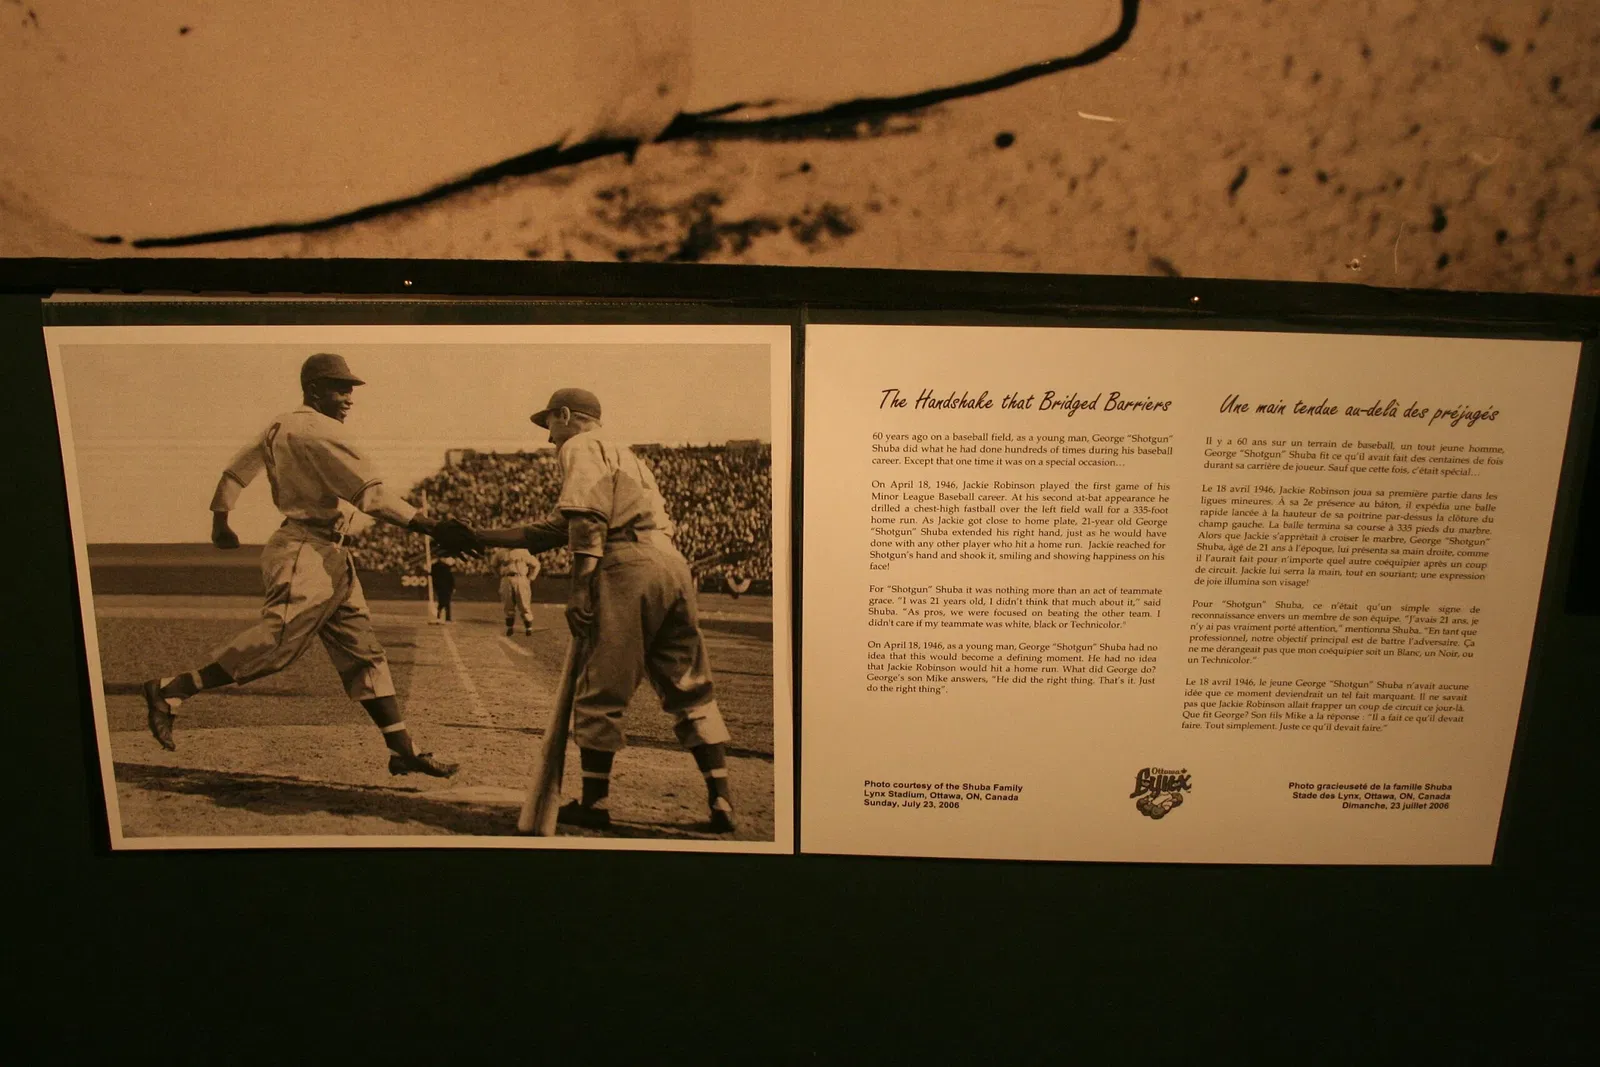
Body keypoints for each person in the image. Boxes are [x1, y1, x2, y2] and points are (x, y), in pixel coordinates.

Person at [139, 353, 461, 778]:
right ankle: (170, 690)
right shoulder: (317, 430)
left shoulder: (279, 424)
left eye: (350, 388)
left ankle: (403, 749)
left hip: (329, 555)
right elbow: (374, 498)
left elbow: (236, 472)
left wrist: (221, 520)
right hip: (306, 551)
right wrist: (431, 526)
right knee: (275, 645)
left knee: (363, 653)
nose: (348, 396)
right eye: (338, 387)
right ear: (312, 389)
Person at [471, 387, 735, 833]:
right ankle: (722, 798)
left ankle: (595, 803)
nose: (549, 439)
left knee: (600, 687)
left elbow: (588, 519)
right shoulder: (626, 454)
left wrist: (581, 589)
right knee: (690, 686)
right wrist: (480, 536)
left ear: (567, 415)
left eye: (550, 425)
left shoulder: (578, 445)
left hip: (625, 565)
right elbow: (551, 529)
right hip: (671, 564)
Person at [490, 546, 539, 636]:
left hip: (520, 577)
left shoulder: (524, 551)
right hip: (506, 578)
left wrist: (531, 577)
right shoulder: (501, 552)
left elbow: (536, 565)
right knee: (508, 604)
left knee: (524, 603)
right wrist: (498, 575)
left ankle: (528, 628)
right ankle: (510, 628)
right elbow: (493, 565)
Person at [430, 556, 456, 624]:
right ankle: (447, 619)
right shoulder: (446, 567)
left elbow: (432, 576)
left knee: (442, 603)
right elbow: (450, 578)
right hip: (445, 588)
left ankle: (440, 617)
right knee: (446, 603)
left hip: (440, 588)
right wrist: (452, 587)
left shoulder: (435, 566)